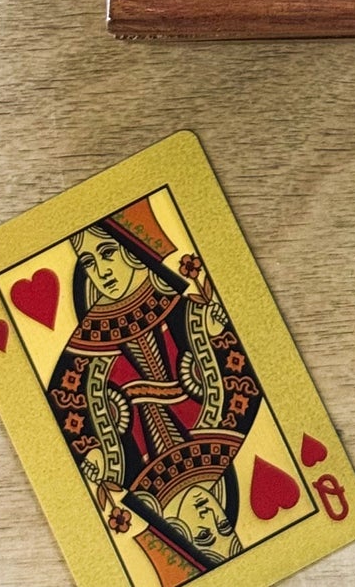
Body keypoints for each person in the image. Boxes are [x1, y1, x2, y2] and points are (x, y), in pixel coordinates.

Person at [47, 198, 261, 577]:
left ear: (178, 533)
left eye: (203, 535)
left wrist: (91, 453)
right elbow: (244, 382)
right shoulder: (224, 441)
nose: (102, 271)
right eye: (90, 261)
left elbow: (65, 417)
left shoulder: (123, 480)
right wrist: (221, 333)